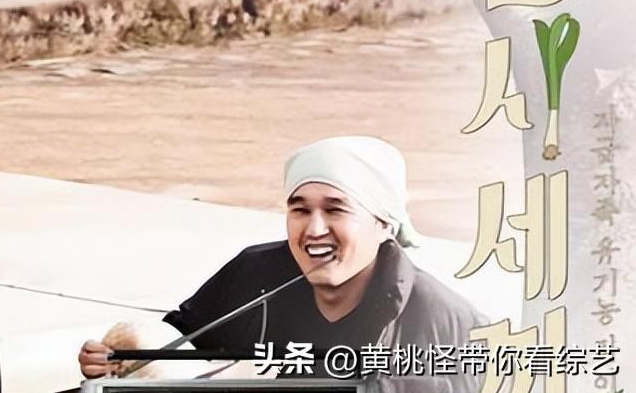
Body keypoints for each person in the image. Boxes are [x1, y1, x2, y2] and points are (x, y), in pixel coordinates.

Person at [77, 136, 487, 392]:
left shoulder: (452, 327)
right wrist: (115, 360)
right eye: (300, 210)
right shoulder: (253, 273)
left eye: (335, 209)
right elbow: (179, 342)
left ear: (384, 225)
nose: (314, 229)